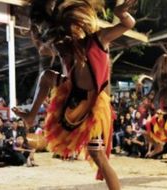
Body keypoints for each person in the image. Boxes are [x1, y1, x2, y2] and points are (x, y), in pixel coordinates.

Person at [12, 0, 136, 189]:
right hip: (72, 93)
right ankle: (31, 115)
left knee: (98, 156)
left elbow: (128, 25)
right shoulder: (65, 47)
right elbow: (46, 50)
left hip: (94, 102)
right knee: (46, 76)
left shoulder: (98, 39)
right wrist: (36, 32)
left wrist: (121, 13)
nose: (61, 45)